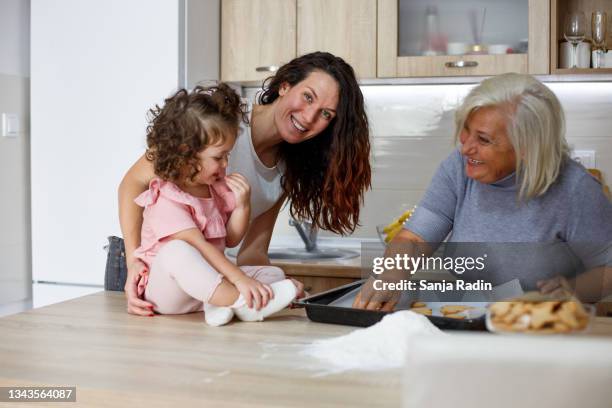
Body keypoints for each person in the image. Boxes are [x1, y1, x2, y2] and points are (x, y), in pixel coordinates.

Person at [120, 52, 371, 316]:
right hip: (149, 263)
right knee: (179, 253)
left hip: (209, 278)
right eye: (308, 97)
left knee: (272, 274)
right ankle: (237, 300)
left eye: (326, 114)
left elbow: (251, 253)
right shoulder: (220, 122)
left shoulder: (287, 168)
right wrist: (133, 261)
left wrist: (268, 285)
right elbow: (132, 183)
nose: (309, 117)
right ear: (284, 85)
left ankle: (244, 302)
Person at [354, 73, 612, 310]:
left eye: (484, 139)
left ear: (527, 148)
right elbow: (415, 238)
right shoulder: (458, 168)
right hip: (472, 320)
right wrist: (390, 275)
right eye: (466, 131)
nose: (466, 148)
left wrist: (574, 290)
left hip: (543, 331)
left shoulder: (575, 190)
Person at [131, 84, 301, 326]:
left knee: (271, 274)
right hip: (169, 295)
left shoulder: (215, 190)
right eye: (218, 157)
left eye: (227, 156)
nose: (225, 164)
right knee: (177, 251)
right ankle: (242, 301)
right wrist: (240, 281)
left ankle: (223, 304)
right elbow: (200, 247)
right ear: (186, 154)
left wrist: (242, 207)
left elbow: (230, 240)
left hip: (204, 290)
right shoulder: (166, 198)